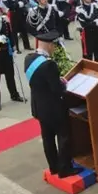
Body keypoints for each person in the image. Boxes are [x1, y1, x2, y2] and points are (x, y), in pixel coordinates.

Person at [25, 30, 76, 177]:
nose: (55, 48)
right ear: (49, 45)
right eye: (54, 45)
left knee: (47, 138)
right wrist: (63, 84)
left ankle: (53, 166)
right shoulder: (49, 65)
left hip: (39, 107)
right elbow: (57, 89)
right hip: (53, 108)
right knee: (63, 136)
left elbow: (39, 81)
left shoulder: (29, 58)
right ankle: (65, 169)